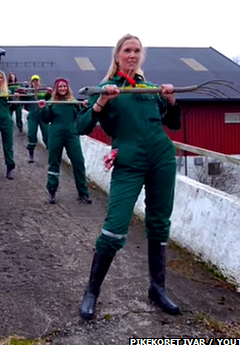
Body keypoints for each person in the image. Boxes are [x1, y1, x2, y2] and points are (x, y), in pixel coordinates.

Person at [76, 34, 182, 320]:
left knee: (159, 223)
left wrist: (171, 101)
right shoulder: (106, 89)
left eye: (137, 50)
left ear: (141, 55)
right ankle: (92, 291)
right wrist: (100, 103)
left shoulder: (149, 89)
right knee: (114, 228)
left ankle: (157, 288)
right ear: (118, 56)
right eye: (127, 50)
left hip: (161, 158)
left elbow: (173, 124)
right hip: (129, 161)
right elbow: (82, 126)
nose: (132, 55)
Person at [38, 77, 92, 204]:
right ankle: (52, 190)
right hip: (56, 135)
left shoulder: (73, 102)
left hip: (71, 135)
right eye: (60, 87)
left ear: (67, 88)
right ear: (56, 89)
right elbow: (46, 119)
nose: (62, 88)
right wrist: (42, 108)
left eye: (64, 86)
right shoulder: (52, 103)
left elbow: (82, 116)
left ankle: (83, 192)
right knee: (54, 162)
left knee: (78, 162)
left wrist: (84, 106)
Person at [23, 74, 51, 163]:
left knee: (47, 136)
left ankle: (52, 155)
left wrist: (50, 93)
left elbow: (50, 100)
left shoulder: (44, 92)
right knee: (31, 134)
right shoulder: (29, 92)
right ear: (31, 83)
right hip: (32, 117)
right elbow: (23, 99)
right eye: (34, 81)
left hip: (43, 116)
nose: (35, 83)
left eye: (37, 81)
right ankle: (31, 155)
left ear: (39, 82)